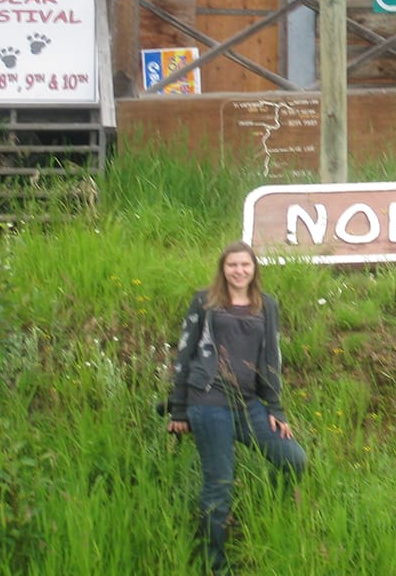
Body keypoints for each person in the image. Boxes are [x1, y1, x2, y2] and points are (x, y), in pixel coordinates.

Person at [168, 241, 306, 574]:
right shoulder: (205, 302)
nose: (239, 271)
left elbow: (271, 358)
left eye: (245, 265)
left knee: (294, 460)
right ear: (223, 268)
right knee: (219, 485)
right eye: (232, 265)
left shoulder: (266, 305)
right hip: (208, 401)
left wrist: (276, 408)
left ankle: (258, 513)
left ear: (254, 268)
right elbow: (185, 353)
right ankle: (213, 564)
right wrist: (178, 409)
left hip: (247, 404)